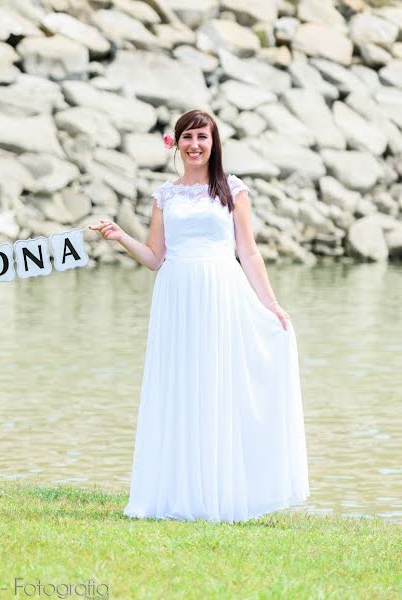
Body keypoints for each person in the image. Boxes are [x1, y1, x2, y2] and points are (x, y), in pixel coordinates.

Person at [90, 109, 309, 522]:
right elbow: (156, 258)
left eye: (202, 137)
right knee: (180, 386)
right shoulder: (164, 196)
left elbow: (249, 251)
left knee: (217, 384)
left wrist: (270, 303)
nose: (194, 145)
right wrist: (120, 237)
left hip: (221, 291)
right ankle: (177, 493)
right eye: (188, 137)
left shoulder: (232, 190)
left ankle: (219, 493)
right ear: (176, 143)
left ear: (213, 143)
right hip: (176, 296)